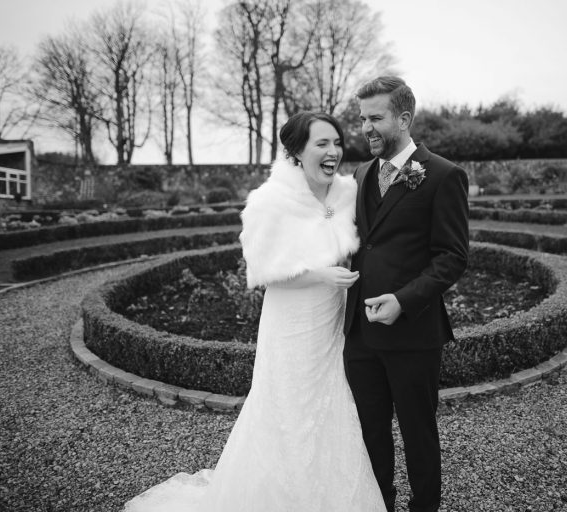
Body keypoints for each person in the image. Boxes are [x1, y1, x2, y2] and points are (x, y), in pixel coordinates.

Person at [123, 111, 387, 512]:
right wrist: (320, 274)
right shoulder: (269, 201)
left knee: (332, 406)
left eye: (336, 142)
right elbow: (264, 273)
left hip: (333, 323)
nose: (333, 151)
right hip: (291, 325)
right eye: (321, 143)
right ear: (296, 151)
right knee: (287, 411)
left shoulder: (347, 192)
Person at [343, 76, 469, 512]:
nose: (366, 128)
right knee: (370, 432)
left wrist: (404, 300)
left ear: (403, 118)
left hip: (414, 334)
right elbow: (363, 244)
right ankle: (380, 504)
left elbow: (452, 257)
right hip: (360, 335)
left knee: (418, 434)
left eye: (375, 118)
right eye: (363, 119)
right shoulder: (362, 173)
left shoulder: (444, 175)